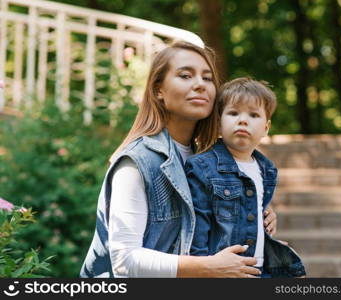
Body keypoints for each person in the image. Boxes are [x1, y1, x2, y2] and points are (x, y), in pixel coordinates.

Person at [80, 41, 278, 278]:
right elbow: (124, 261)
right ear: (158, 91)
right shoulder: (137, 162)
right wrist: (209, 267)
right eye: (185, 75)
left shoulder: (210, 163)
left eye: (207, 78)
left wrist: (255, 210)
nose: (200, 85)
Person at [185, 78, 306, 277]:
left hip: (259, 270)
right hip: (222, 272)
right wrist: (203, 269)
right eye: (233, 113)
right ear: (218, 123)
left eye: (253, 114)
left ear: (266, 128)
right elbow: (197, 226)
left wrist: (266, 222)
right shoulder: (203, 167)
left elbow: (249, 212)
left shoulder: (265, 169)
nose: (243, 120)